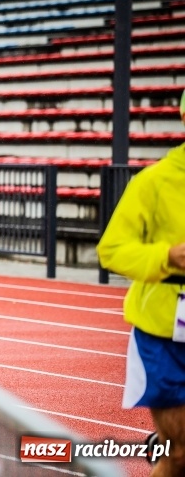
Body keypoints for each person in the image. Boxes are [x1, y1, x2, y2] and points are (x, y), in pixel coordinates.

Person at [96, 119, 185, 475]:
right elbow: (112, 250)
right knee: (180, 452)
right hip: (166, 332)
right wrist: (166, 257)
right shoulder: (154, 181)